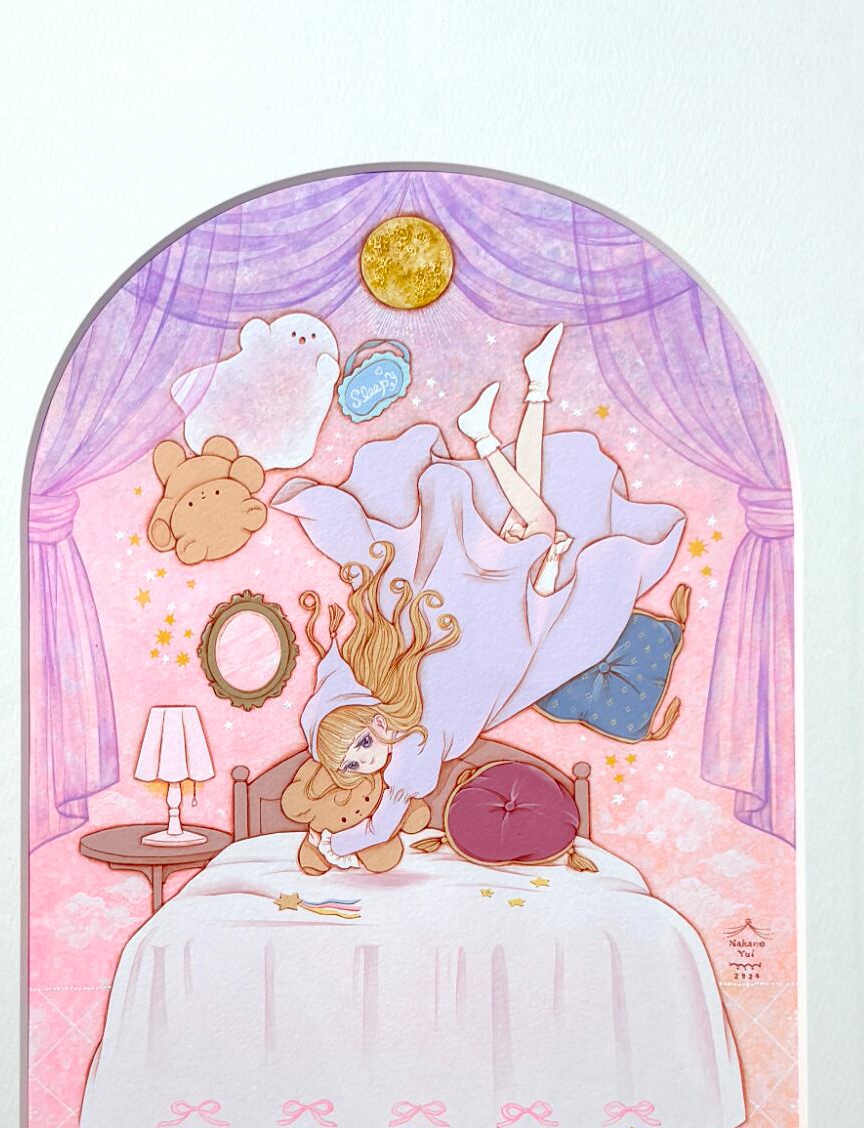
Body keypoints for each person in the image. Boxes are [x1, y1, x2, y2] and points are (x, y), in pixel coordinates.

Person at [273, 325, 684, 864]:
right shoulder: (409, 759)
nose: (367, 759)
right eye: (356, 763)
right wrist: (335, 842)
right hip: (509, 634)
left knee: (538, 518)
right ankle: (520, 400)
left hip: (486, 611)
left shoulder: (389, 701)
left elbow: (341, 678)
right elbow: (383, 823)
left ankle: (504, 415)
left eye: (361, 745)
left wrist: (336, 843)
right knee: (538, 514)